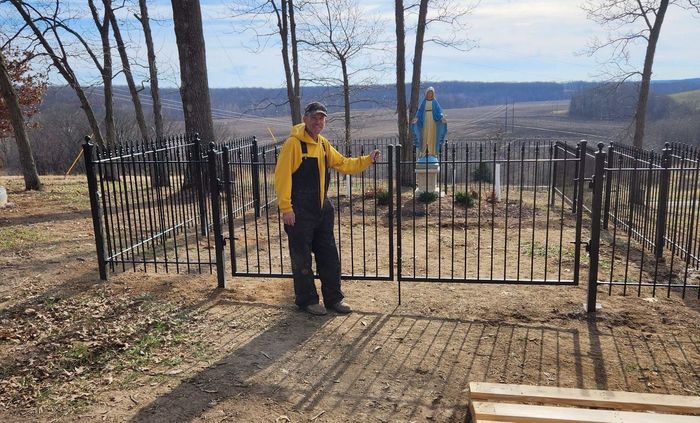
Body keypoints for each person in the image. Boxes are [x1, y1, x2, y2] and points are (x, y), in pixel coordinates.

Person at [274, 102, 380, 316]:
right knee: (302, 258)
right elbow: (282, 177)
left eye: (321, 118)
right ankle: (307, 300)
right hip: (299, 212)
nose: (317, 122)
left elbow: (343, 164)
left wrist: (367, 160)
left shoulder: (323, 144)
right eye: (314, 117)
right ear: (305, 119)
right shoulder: (293, 145)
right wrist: (286, 209)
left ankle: (334, 299)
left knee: (329, 255)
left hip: (321, 210)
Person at [411, 86, 448, 161]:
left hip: (433, 121)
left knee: (432, 135)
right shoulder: (424, 102)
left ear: (433, 94)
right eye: (429, 93)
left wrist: (442, 118)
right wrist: (416, 118)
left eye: (431, 93)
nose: (430, 95)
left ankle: (432, 152)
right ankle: (424, 151)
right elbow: (420, 111)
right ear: (426, 94)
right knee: (425, 135)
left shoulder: (434, 102)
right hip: (425, 120)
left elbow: (438, 112)